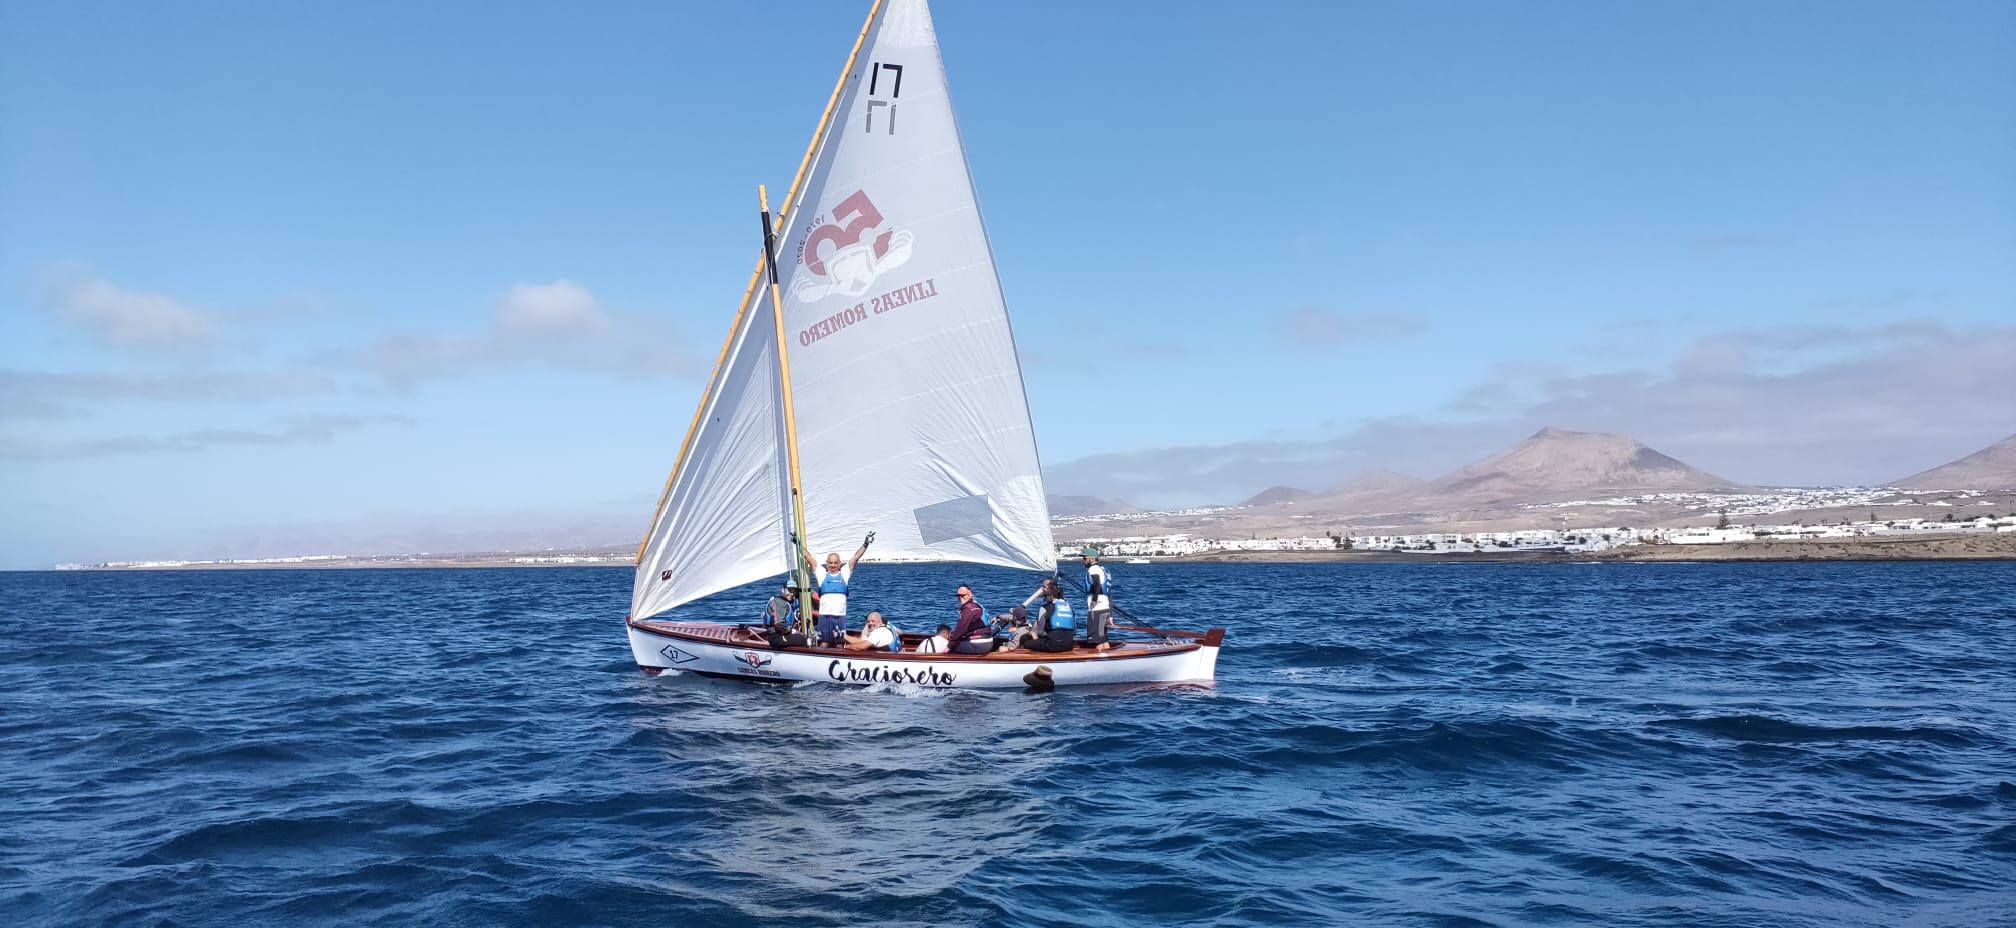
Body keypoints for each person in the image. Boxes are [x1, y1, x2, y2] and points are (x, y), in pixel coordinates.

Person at [802, 533, 872, 647]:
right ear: (827, 563)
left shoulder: (844, 574)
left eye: (835, 562)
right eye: (830, 563)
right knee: (824, 644)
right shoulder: (821, 574)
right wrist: (798, 544)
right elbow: (808, 557)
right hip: (824, 617)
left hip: (840, 617)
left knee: (839, 644)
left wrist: (866, 544)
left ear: (839, 563)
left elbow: (856, 556)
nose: (833, 565)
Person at [1020, 578, 1076, 653]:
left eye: (1043, 587)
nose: (1041, 589)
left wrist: (1033, 634)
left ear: (1048, 591)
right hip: (1069, 645)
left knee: (1025, 641)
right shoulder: (1069, 607)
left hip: (1052, 646)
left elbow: (1040, 632)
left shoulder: (1044, 608)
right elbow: (1074, 631)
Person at [1081, 547, 1115, 651]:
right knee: (1103, 638)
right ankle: (1108, 660)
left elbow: (1096, 582)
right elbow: (1108, 593)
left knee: (1096, 639)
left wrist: (1094, 600)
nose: (1083, 561)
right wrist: (1111, 614)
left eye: (1084, 558)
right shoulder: (1104, 570)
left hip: (1097, 609)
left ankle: (1101, 660)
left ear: (1091, 559)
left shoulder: (1093, 569)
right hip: (1105, 608)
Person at [946, 585, 995, 654]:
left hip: (979, 644)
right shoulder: (976, 605)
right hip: (988, 642)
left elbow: (960, 631)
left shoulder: (969, 609)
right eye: (958, 596)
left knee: (948, 645)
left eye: (963, 595)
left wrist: (948, 646)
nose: (960, 598)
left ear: (970, 595)